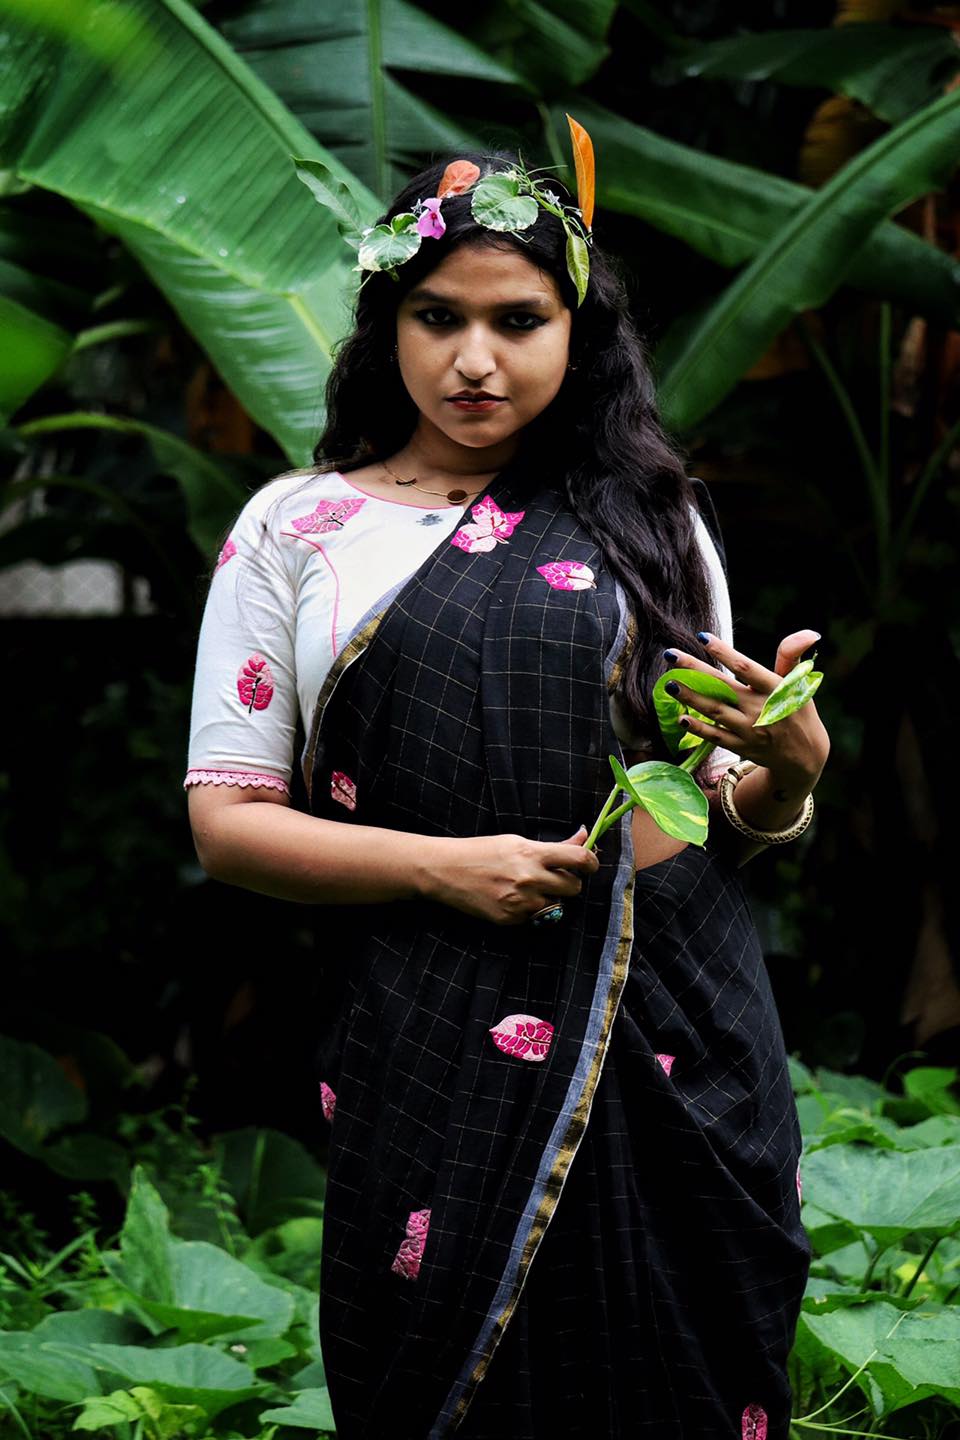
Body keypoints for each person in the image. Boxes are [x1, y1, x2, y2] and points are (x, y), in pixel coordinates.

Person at [184, 138, 829, 1440]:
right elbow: (229, 824)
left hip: (676, 1030)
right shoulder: (298, 530)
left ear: (576, 332)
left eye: (519, 320)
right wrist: (441, 867)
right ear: (389, 325)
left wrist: (788, 771)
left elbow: (711, 802)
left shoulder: (655, 519)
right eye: (439, 318)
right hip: (426, 1024)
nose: (476, 359)